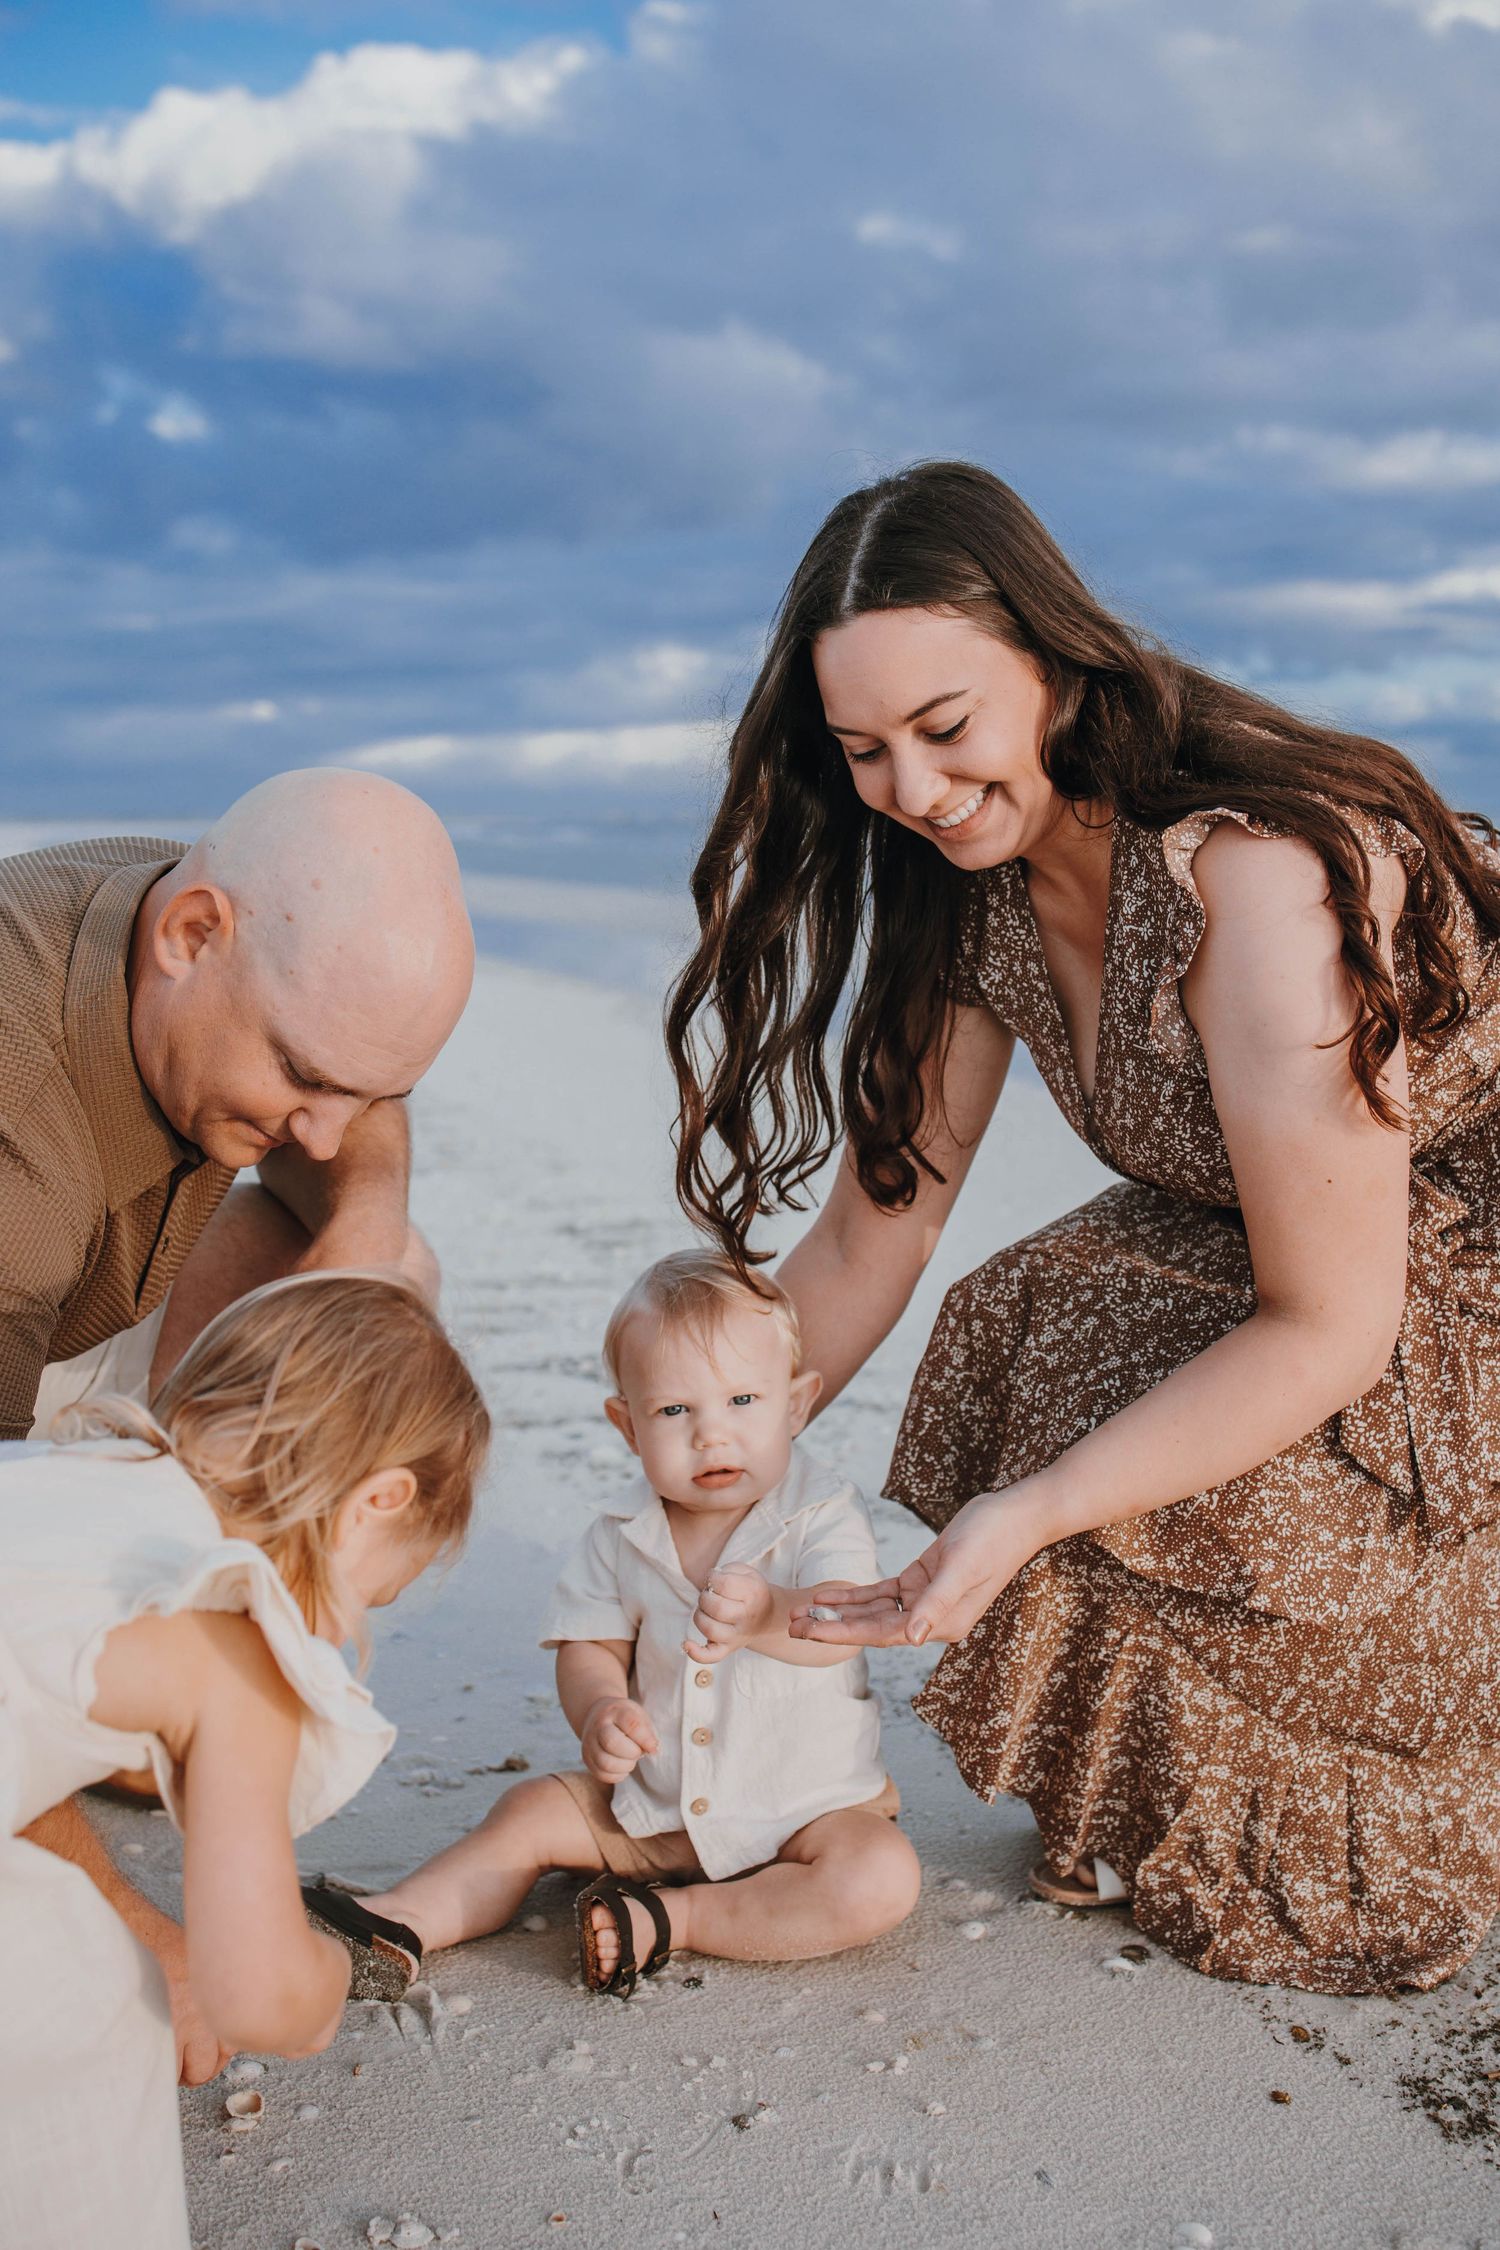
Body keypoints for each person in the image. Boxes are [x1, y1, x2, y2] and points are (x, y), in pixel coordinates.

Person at [665, 459, 1500, 1997]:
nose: (913, 788)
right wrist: (694, 1460)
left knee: (1111, 1454)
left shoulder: (1251, 876)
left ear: (1054, 666)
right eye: (864, 749)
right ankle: (1148, 1766)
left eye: (945, 726)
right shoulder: (966, 890)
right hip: (1329, 1247)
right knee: (1046, 1306)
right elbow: (867, 1241)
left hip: (1458, 1282)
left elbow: (1332, 1319)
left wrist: (1036, 1508)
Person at [0, 764, 474, 2081]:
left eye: (357, 1087)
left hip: (57, 1326)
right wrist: (131, 1921)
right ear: (191, 935)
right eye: (301, 1074)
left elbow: (355, 1107)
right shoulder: (14, 1142)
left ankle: (151, 1701)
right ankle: (145, 1683)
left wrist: (362, 1238)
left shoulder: (209, 911)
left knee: (384, 1280)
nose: (320, 1127)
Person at [0, 1270, 490, 2248]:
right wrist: (322, 1977)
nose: (342, 1630)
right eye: (374, 1598)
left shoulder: (61, 1478)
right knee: (97, 1997)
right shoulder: (236, 1640)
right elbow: (257, 1997)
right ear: (375, 1504)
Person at [306, 1252, 920, 1998]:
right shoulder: (619, 1533)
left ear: (796, 1405)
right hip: (657, 1808)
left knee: (879, 1877)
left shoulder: (821, 1511)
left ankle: (675, 1918)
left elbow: (845, 1616)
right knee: (529, 1813)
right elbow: (590, 1644)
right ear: (627, 1426)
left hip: (808, 1813)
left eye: (742, 1400)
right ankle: (402, 1921)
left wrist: (767, 1612)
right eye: (675, 1411)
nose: (712, 1435)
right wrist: (599, 1708)